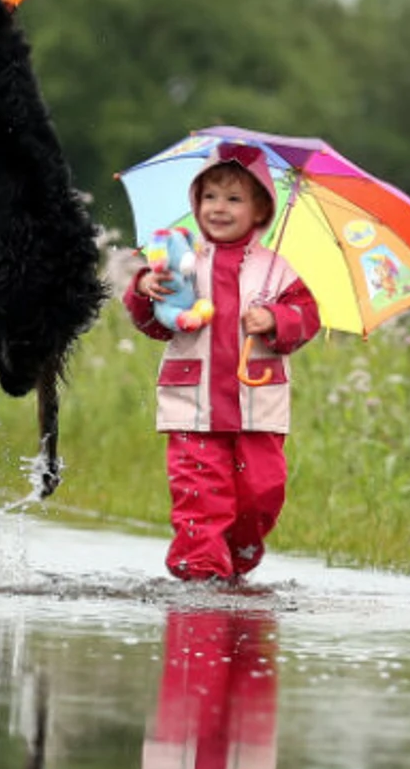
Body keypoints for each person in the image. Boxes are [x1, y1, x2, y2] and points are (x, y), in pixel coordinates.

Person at [124, 156, 322, 582]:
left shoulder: (278, 270)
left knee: (261, 494)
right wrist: (144, 288)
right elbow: (153, 322)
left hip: (258, 408)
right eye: (209, 196)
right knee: (200, 496)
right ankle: (200, 572)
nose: (219, 207)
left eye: (234, 198)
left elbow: (307, 319)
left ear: (261, 211)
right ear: (195, 205)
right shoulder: (181, 262)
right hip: (193, 407)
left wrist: (276, 319)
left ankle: (234, 558)